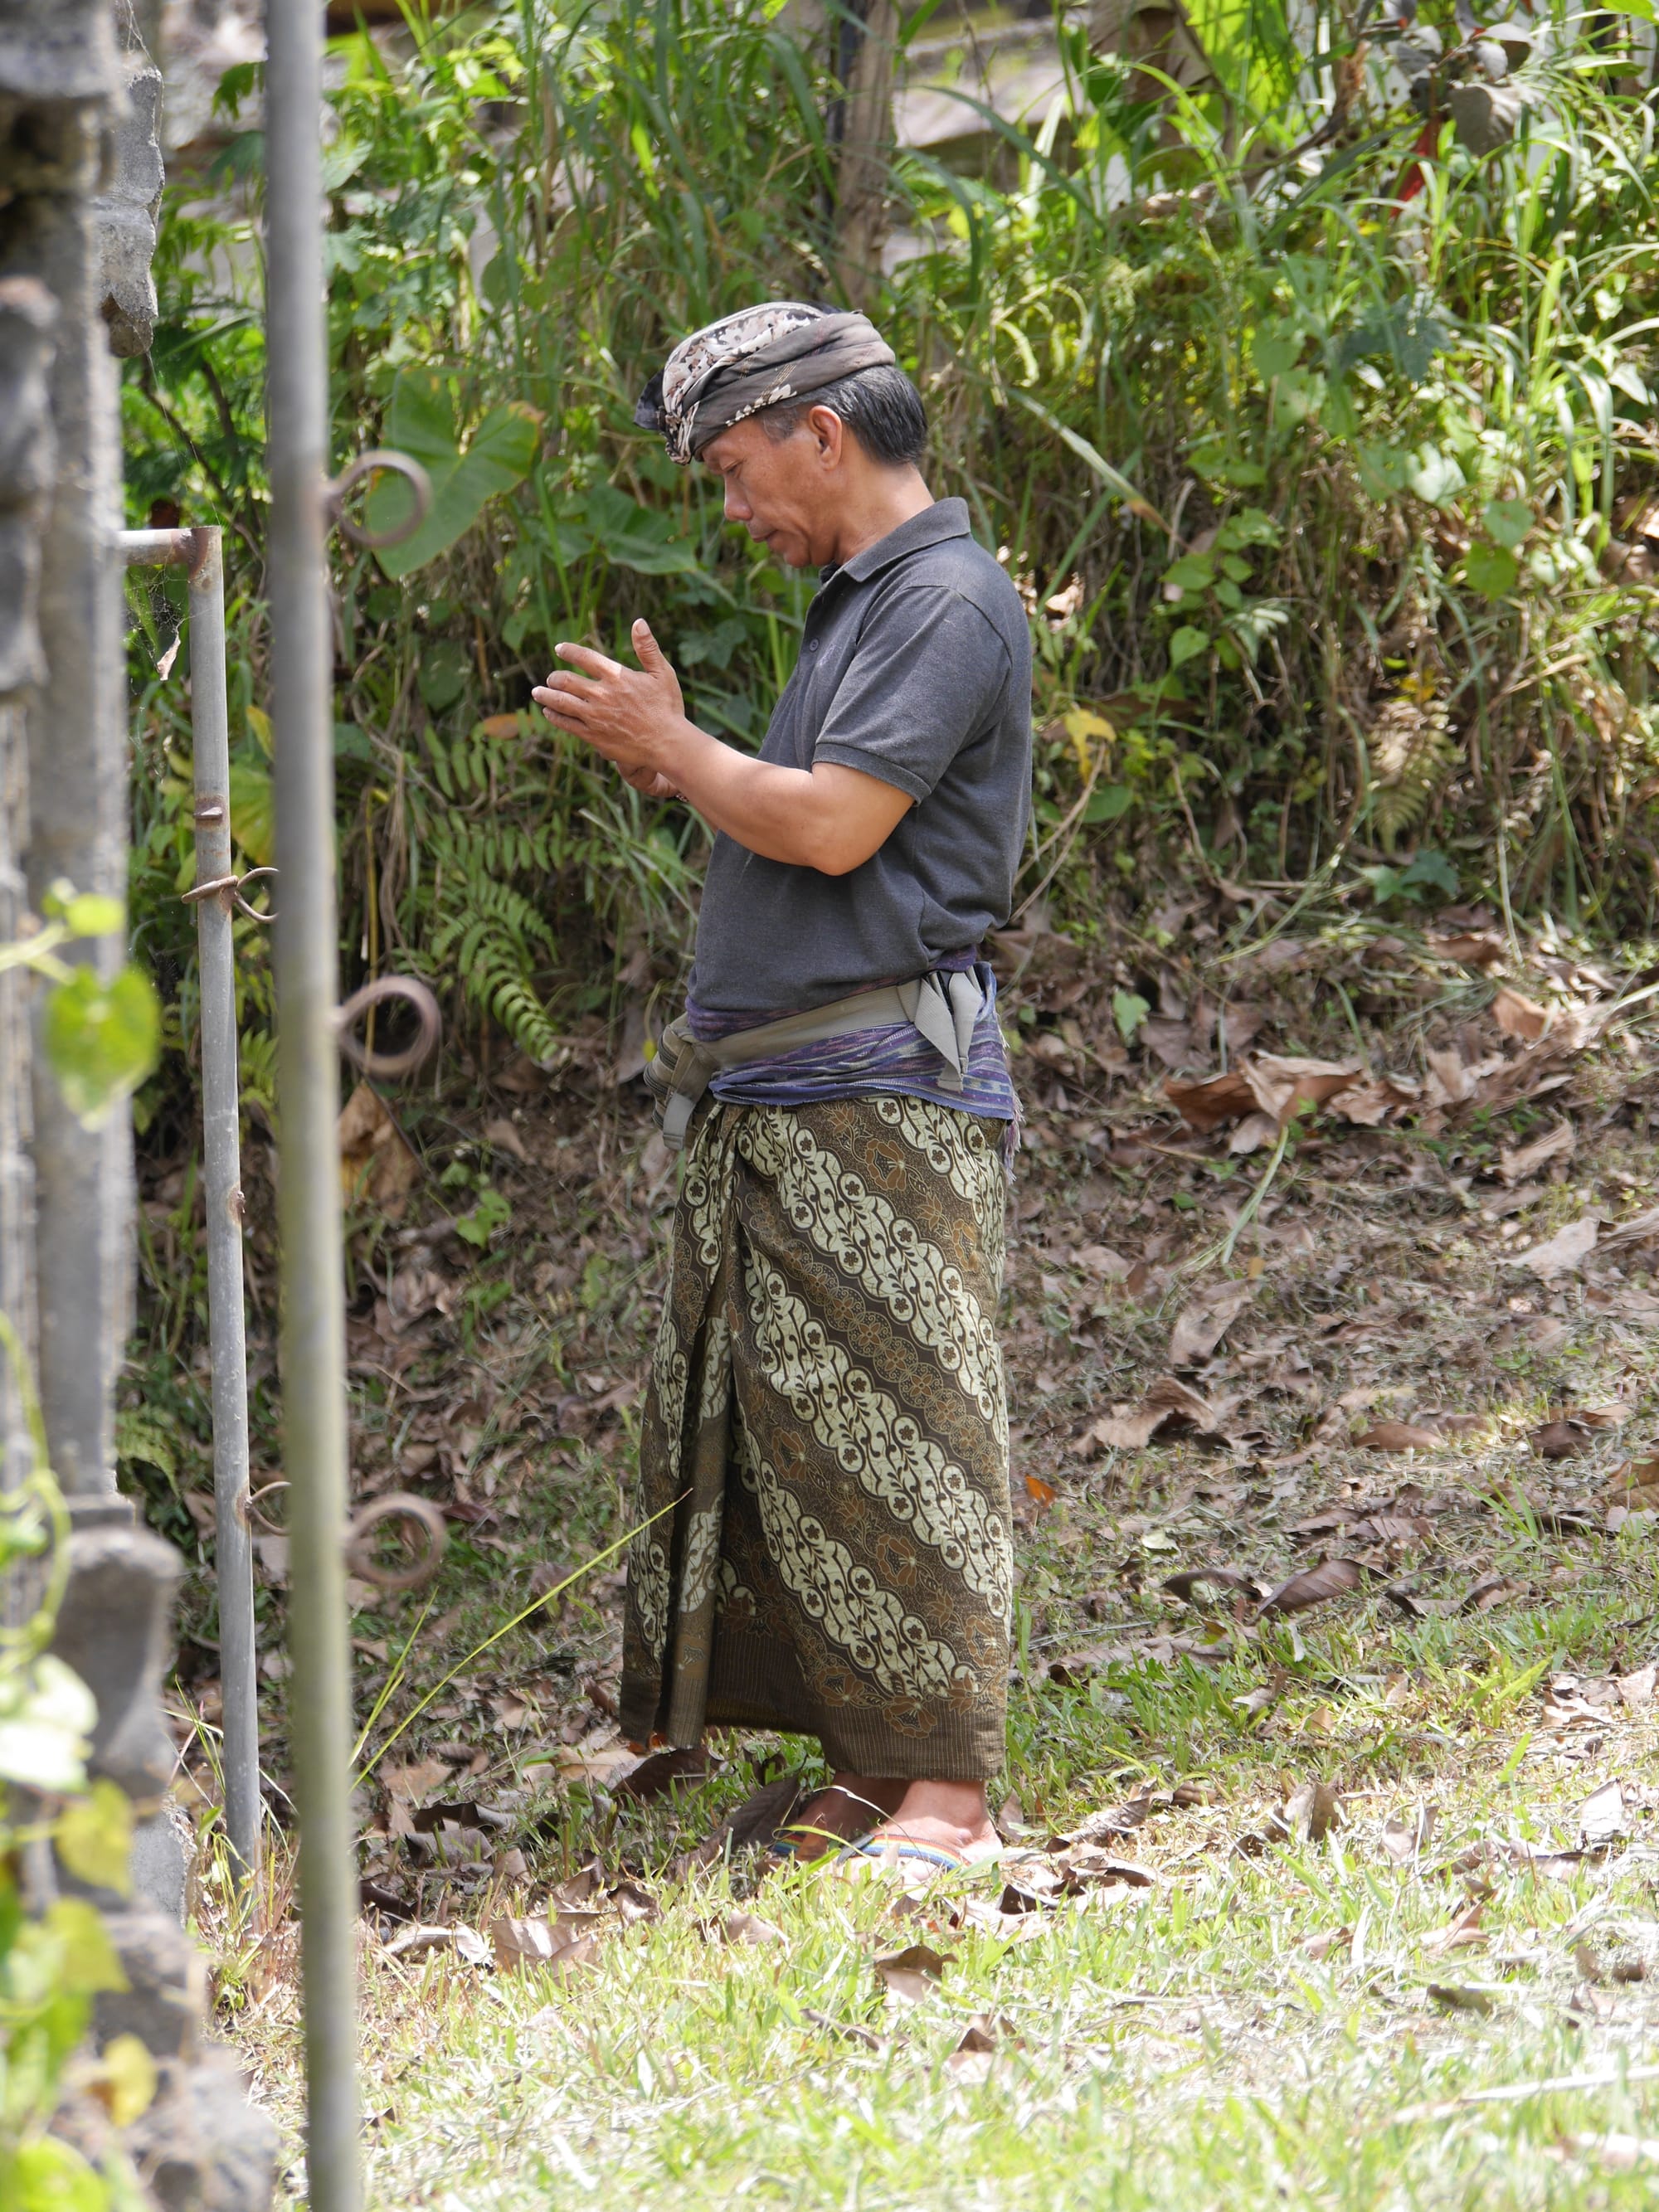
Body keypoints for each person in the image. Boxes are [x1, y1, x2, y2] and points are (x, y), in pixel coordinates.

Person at [532, 301, 1032, 1873]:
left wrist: (679, 749)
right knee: (803, 1450)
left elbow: (828, 828)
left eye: (740, 471)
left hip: (883, 1091)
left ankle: (948, 1797)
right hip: (798, 1096)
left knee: (911, 1433)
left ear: (826, 434)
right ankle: (875, 1773)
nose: (734, 510)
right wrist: (676, 757)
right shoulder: (863, 602)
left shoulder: (945, 600)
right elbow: (804, 817)